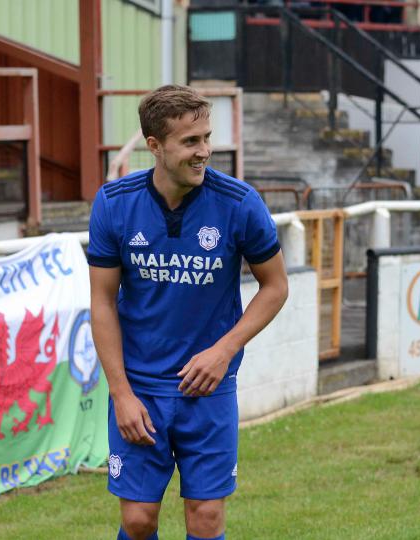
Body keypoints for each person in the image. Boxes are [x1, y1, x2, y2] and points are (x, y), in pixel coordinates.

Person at [87, 85, 289, 540]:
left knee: (206, 518)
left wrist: (224, 350)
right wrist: (120, 393)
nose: (205, 152)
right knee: (137, 521)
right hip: (140, 389)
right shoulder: (114, 204)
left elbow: (275, 287)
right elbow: (102, 303)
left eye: (207, 138)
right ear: (155, 146)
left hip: (208, 390)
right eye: (191, 142)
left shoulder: (239, 204)